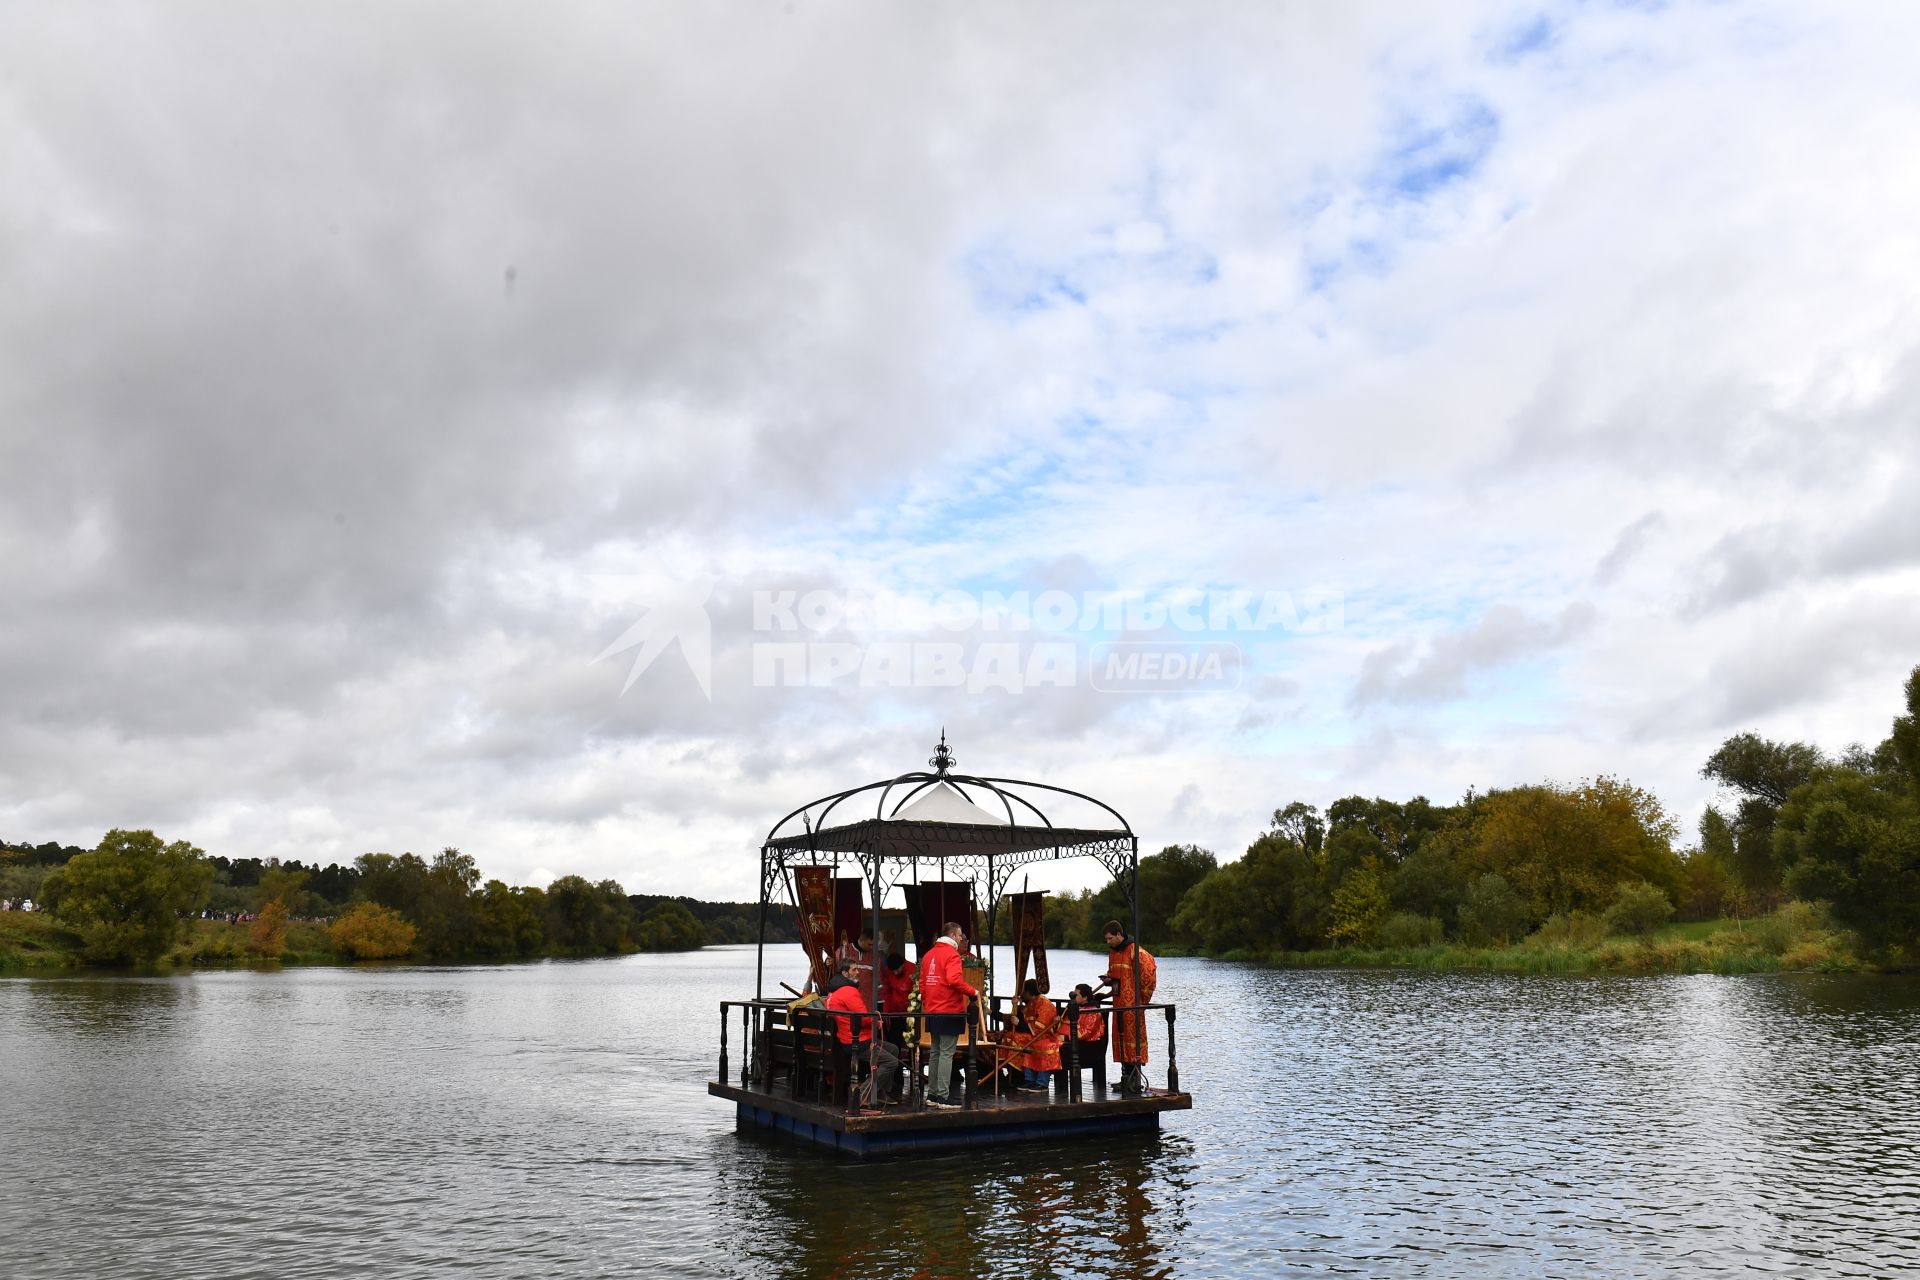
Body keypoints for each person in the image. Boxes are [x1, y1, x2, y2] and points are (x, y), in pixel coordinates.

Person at [822, 959, 900, 1107]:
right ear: (845, 973)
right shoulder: (849, 991)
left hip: (844, 1039)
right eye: (853, 970)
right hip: (858, 1042)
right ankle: (863, 1094)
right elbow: (863, 1018)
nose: (858, 972)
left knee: (893, 1049)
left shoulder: (833, 992)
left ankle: (880, 1091)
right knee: (891, 1062)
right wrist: (877, 1023)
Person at [918, 920, 978, 1109]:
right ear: (953, 936)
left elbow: (922, 983)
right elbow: (953, 980)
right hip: (949, 1009)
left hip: (932, 1010)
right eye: (960, 936)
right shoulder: (952, 955)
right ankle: (943, 1096)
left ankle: (933, 1094)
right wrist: (972, 991)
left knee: (935, 1052)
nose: (962, 939)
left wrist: (928, 1003)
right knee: (946, 1053)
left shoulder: (929, 955)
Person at [1095, 920, 1157, 1096]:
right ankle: (1125, 1077)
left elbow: (1149, 973)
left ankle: (1134, 1079)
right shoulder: (1113, 953)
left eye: (1110, 938)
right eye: (1106, 939)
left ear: (1119, 935)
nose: (1108, 942)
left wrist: (1142, 997)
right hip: (1119, 1004)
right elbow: (1117, 979)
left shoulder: (1134, 951)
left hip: (1132, 1006)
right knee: (1122, 1041)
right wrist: (1108, 983)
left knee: (1133, 1041)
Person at [1005, 979, 1061, 1091]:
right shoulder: (1031, 1003)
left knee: (1035, 1044)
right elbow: (1021, 1019)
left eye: (1023, 992)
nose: (1021, 995)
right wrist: (1015, 1005)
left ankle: (1041, 1082)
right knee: (1010, 1036)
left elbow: (1040, 1029)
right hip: (1033, 1035)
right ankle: (1028, 1079)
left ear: (1029, 993)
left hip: (1045, 1036)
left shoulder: (1044, 1005)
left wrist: (1019, 1023)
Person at [1064, 982, 1109, 1088]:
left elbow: (1085, 1033)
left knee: (1059, 1049)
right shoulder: (1077, 1008)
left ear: (1084, 997)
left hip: (1088, 1046)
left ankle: (1044, 1082)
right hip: (1075, 1041)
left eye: (1076, 995)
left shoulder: (1093, 1012)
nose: (1074, 997)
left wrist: (1065, 1037)